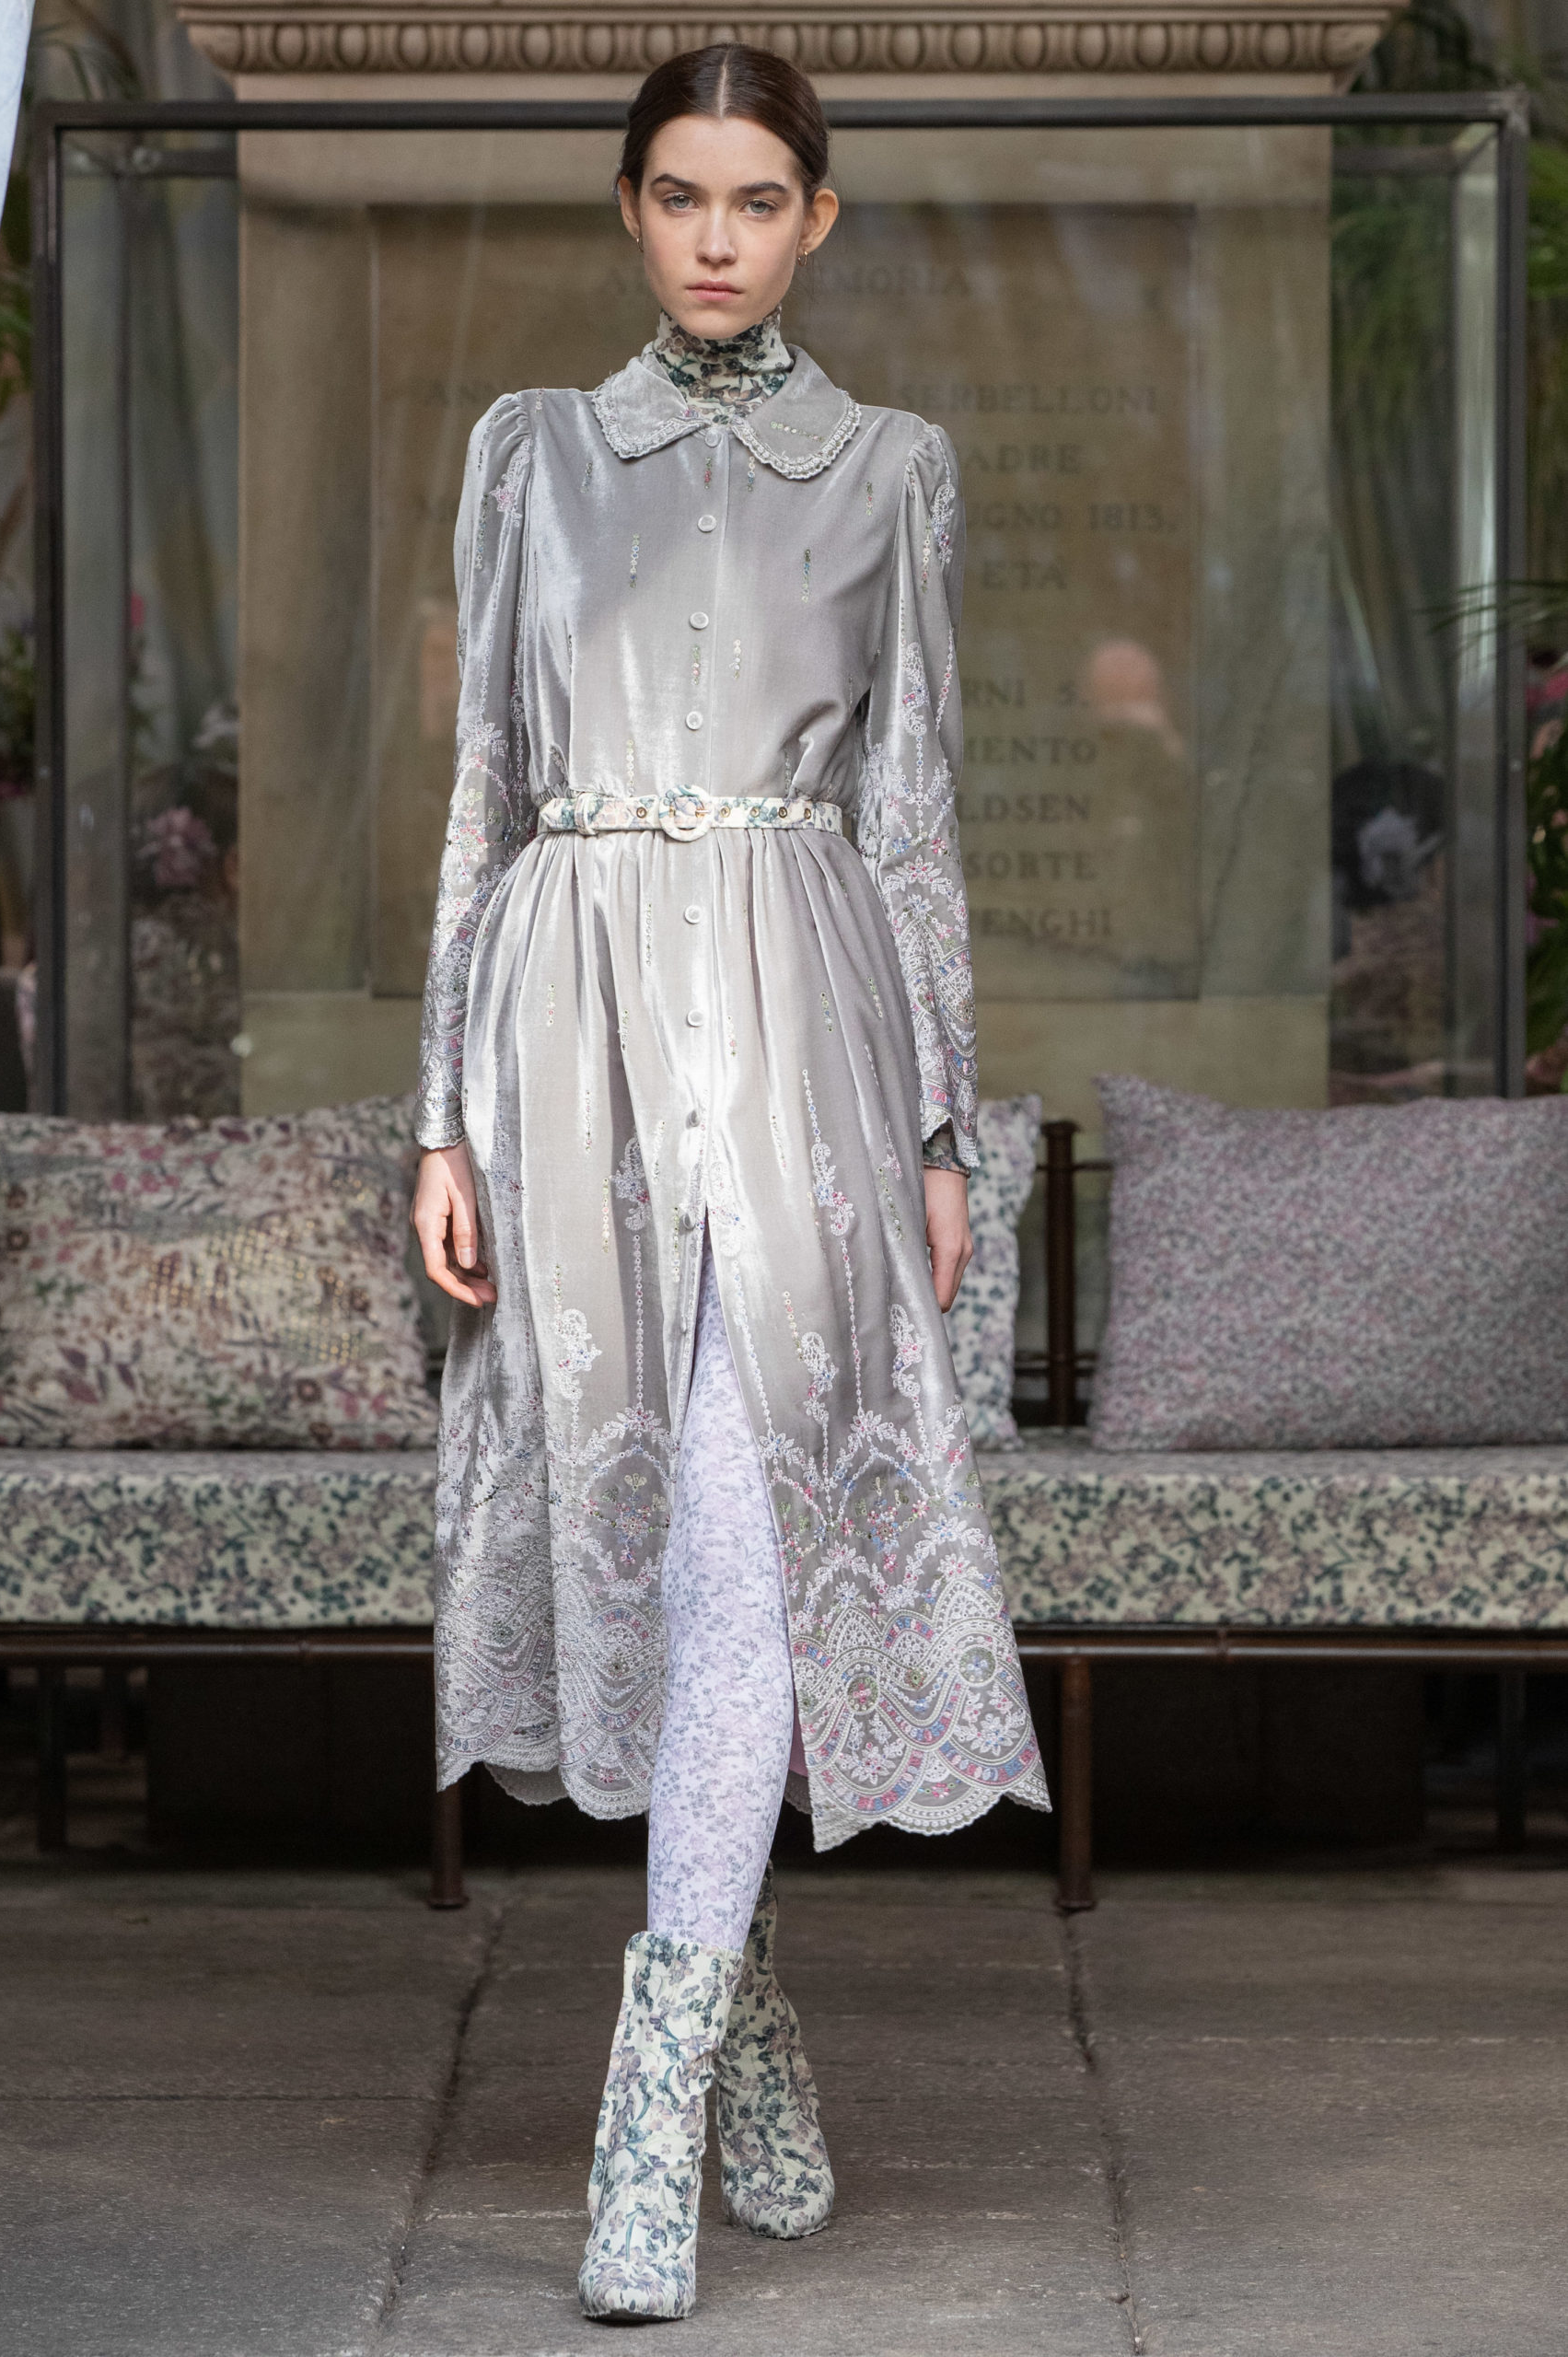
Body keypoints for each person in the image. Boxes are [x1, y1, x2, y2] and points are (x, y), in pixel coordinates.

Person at [411, 41, 1049, 2322]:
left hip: (802, 1025)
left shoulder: (890, 469)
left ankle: (644, 2101)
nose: (712, 235)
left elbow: (915, 811)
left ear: (814, 221)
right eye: (677, 194)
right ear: (628, 207)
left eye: (755, 199)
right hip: (563, 1030)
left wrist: (943, 1125)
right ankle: (749, 2022)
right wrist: (436, 1112)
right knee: (669, 1547)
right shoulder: (526, 454)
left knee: (745, 1527)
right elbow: (482, 784)